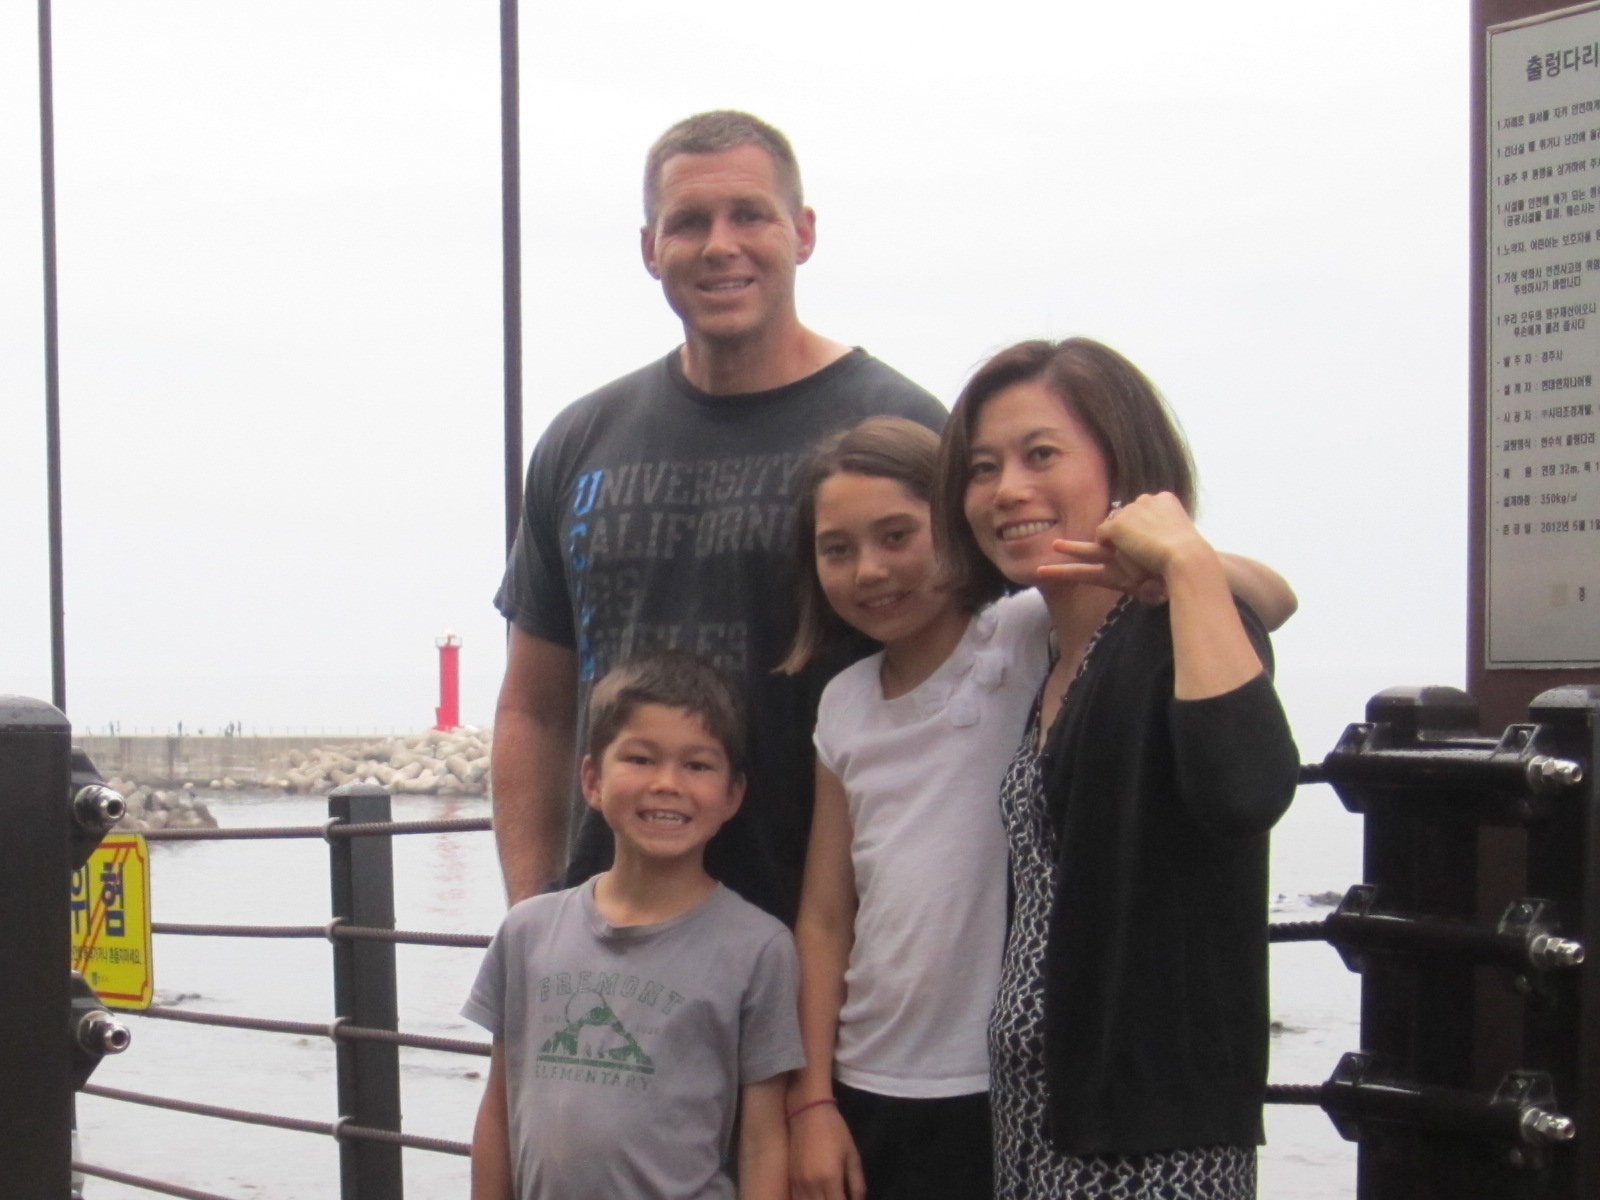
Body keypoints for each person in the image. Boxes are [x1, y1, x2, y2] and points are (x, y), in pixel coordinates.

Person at [779, 418, 1298, 1200]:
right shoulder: (843, 701)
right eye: (837, 549)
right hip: (869, 1074)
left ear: (952, 525)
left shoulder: (1020, 633)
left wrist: (1175, 558)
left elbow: (1275, 597)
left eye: (897, 535)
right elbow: (824, 918)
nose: (870, 570)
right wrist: (814, 1098)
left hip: (1003, 1080)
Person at [491, 110, 945, 920]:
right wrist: (532, 919)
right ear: (650, 249)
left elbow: (967, 682)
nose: (719, 245)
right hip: (611, 935)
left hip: (827, 938)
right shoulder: (581, 439)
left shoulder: (901, 429)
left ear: (803, 233)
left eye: (750, 215)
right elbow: (535, 708)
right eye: (689, 222)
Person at [932, 337, 1300, 1199]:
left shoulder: (1178, 628)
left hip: (1149, 1136)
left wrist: (1188, 564)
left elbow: (1245, 788)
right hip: (1038, 1113)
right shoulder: (1051, 648)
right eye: (983, 468)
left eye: (1042, 455)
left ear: (1125, 467)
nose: (1007, 489)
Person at [464, 651, 805, 1200]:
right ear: (592, 780)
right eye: (641, 759)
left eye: (697, 765)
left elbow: (764, 1141)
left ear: (733, 794)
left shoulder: (759, 948)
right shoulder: (526, 932)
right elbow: (498, 1109)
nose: (667, 783)